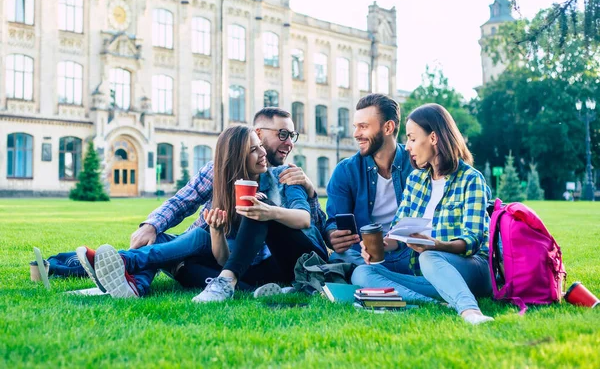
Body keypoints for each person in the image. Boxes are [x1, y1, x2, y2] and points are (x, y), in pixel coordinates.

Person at [76, 107, 325, 297]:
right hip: (221, 254)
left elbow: (311, 224)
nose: (290, 142)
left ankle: (124, 261)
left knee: (188, 253)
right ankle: (132, 283)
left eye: (292, 135)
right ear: (257, 137)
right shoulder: (221, 172)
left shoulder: (289, 175)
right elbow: (183, 201)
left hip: (264, 263)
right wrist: (151, 224)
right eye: (283, 134)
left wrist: (309, 193)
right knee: (167, 242)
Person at [351, 103, 494, 325]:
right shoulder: (416, 180)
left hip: (473, 268)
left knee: (428, 256)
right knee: (361, 274)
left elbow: (472, 241)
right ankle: (434, 303)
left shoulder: (470, 179)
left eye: (412, 138)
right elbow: (398, 233)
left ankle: (470, 311)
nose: (407, 146)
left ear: (434, 138)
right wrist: (378, 245)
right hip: (428, 274)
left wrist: (435, 245)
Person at [325, 93, 413, 272]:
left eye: (363, 127)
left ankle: (376, 278)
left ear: (388, 127)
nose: (356, 134)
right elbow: (333, 221)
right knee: (340, 257)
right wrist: (333, 235)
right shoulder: (345, 171)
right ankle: (399, 279)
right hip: (363, 256)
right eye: (355, 127)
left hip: (407, 252)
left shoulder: (416, 165)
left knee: (429, 258)